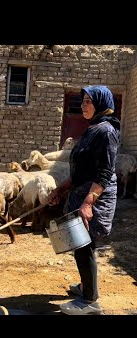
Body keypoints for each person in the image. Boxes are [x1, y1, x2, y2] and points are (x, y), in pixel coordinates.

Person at [48, 85, 120, 315]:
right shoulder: (93, 129)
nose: (83, 105)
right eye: (83, 101)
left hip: (97, 196)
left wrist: (89, 203)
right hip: (84, 191)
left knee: (84, 245)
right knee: (80, 244)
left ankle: (90, 302)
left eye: (88, 101)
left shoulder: (106, 131)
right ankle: (86, 287)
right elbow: (82, 169)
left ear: (101, 103)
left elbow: (105, 172)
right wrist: (61, 188)